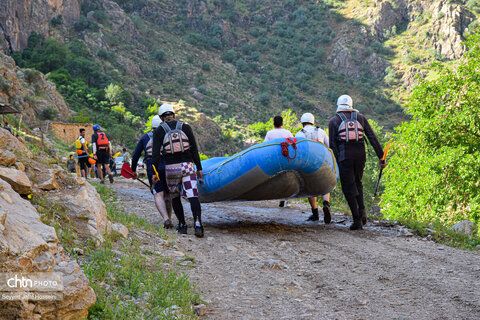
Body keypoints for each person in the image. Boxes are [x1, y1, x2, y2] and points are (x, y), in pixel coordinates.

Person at [329, 95, 385, 230]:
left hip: (344, 157)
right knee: (358, 183)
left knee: (348, 187)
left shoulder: (334, 121)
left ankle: (356, 220)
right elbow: (372, 138)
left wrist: (334, 163)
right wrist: (381, 157)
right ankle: (362, 212)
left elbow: (332, 145)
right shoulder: (361, 118)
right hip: (361, 156)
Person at [152, 103, 204, 237]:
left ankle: (182, 225)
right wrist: (199, 168)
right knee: (193, 196)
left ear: (161, 117)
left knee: (175, 197)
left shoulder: (159, 131)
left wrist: (155, 173)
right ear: (173, 114)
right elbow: (194, 150)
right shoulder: (185, 127)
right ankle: (198, 223)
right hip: (188, 166)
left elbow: (156, 155)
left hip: (171, 168)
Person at [132, 115, 173, 228]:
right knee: (168, 194)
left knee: (158, 194)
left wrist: (133, 170)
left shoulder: (145, 137)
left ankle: (165, 219)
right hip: (168, 165)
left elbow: (136, 155)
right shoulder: (167, 134)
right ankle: (170, 218)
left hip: (153, 167)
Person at [295, 113, 332, 223]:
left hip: (307, 164)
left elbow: (297, 151)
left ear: (302, 122)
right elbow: (330, 146)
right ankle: (326, 203)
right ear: (312, 121)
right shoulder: (321, 131)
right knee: (326, 184)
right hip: (322, 161)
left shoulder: (298, 134)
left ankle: (315, 213)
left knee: (310, 187)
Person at [264, 115, 294, 208]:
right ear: (282, 124)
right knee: (289, 179)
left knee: (279, 179)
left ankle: (281, 198)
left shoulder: (269, 133)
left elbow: (265, 146)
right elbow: (293, 143)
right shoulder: (288, 132)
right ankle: (288, 201)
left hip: (274, 159)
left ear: (273, 124)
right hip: (286, 158)